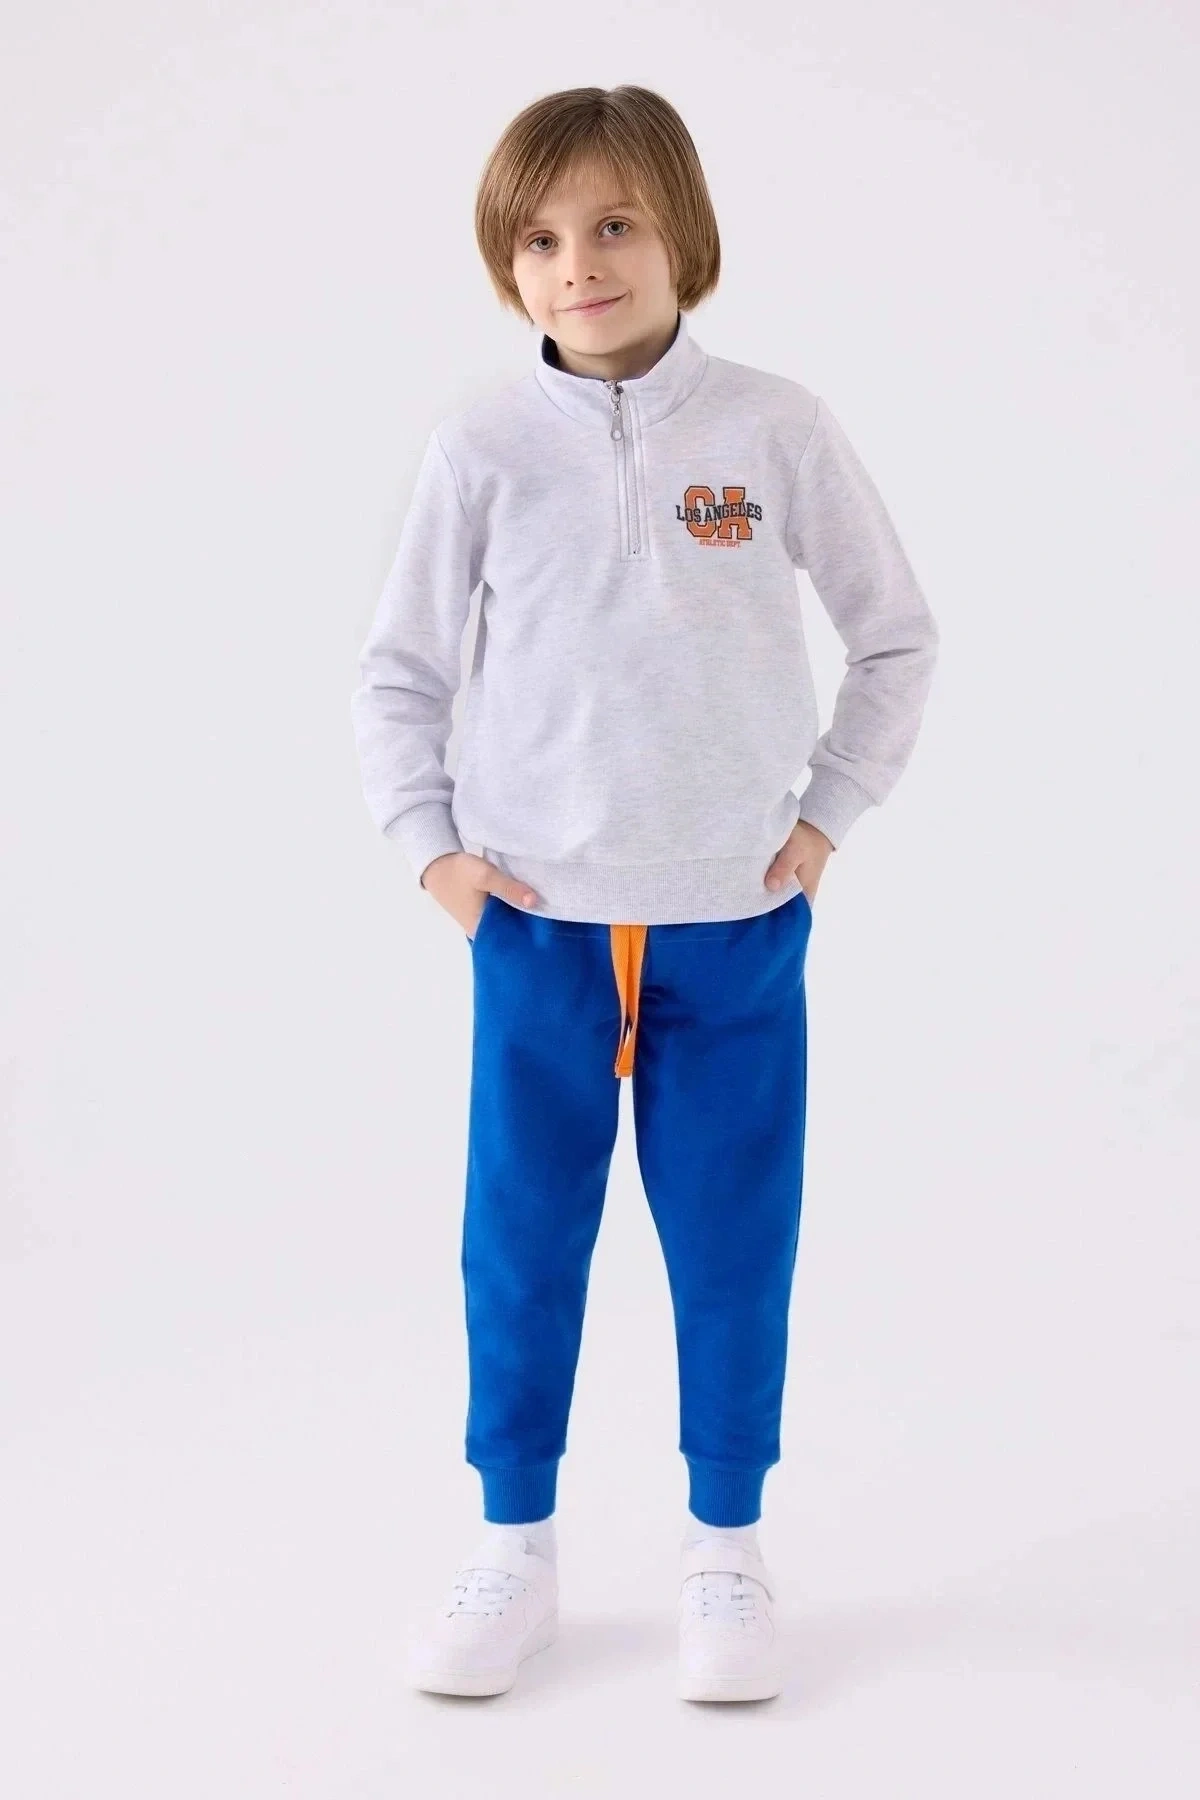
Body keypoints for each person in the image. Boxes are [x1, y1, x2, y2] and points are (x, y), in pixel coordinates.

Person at [350, 84, 939, 1704]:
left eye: (613, 225)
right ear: (507, 266)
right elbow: (399, 673)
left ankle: (725, 1550)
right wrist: (436, 854)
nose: (579, 265)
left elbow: (896, 636)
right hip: (535, 924)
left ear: (683, 230)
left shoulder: (774, 429)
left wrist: (826, 815)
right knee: (521, 1239)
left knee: (735, 1239)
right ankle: (515, 1545)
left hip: (734, 924)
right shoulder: (481, 447)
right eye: (540, 240)